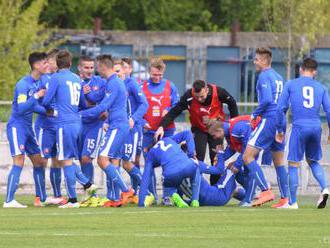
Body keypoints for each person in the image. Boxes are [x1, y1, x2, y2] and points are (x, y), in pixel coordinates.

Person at [155, 79, 239, 185]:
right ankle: (197, 185)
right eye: (196, 96)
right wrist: (162, 126)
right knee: (198, 156)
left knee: (216, 158)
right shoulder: (188, 97)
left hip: (216, 129)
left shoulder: (219, 92)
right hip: (198, 129)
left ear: (206, 90)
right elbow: (175, 111)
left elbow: (232, 102)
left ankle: (215, 187)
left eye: (202, 96)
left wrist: (234, 124)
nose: (199, 99)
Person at [42, 50, 96, 208]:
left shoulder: (56, 78)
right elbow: (83, 105)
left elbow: (46, 101)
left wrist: (50, 105)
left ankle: (73, 199)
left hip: (63, 123)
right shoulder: (76, 78)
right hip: (77, 123)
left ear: (57, 64)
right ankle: (87, 184)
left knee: (65, 160)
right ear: (71, 63)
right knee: (68, 159)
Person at [79, 54, 134, 208]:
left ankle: (126, 191)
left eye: (97, 66)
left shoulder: (114, 83)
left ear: (103, 66)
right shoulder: (111, 82)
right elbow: (98, 96)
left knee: (103, 160)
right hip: (115, 126)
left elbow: (103, 106)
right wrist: (86, 93)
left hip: (118, 126)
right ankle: (117, 197)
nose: (96, 70)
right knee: (105, 160)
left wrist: (79, 114)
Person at [276, 58, 330, 209]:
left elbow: (281, 109)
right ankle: (325, 187)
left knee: (293, 164)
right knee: (313, 161)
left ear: (300, 69)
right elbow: (329, 110)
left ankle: (293, 203)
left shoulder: (291, 84)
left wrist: (280, 130)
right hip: (316, 127)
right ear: (315, 72)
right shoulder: (321, 87)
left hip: (299, 127)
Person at [242, 47, 288, 208]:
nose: (254, 62)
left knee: (247, 156)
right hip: (281, 119)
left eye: (256, 59)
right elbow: (284, 102)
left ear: (262, 60)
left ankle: (265, 190)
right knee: (279, 162)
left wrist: (255, 114)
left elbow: (267, 100)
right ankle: (285, 199)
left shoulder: (263, 76)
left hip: (269, 119)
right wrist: (281, 125)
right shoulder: (279, 77)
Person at [4, 52, 50, 208]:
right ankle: (9, 200)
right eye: (45, 63)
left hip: (28, 128)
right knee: (19, 160)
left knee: (39, 161)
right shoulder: (23, 84)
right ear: (36, 65)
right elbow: (22, 108)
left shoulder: (38, 82)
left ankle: (40, 199)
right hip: (17, 127)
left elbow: (34, 106)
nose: (47, 65)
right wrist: (37, 95)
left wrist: (48, 111)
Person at [33, 48, 67, 206]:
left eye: (50, 61)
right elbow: (36, 102)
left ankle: (58, 196)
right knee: (41, 161)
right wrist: (49, 112)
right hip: (45, 127)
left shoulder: (60, 78)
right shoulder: (42, 79)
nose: (49, 64)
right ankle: (39, 196)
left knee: (57, 161)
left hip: (58, 127)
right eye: (47, 62)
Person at [138, 131, 201, 208]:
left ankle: (175, 196)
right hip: (188, 166)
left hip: (171, 173)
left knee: (167, 182)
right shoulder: (168, 139)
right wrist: (191, 154)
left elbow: (145, 178)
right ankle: (195, 200)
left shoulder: (150, 154)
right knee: (196, 168)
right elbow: (188, 133)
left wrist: (141, 201)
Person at [77, 55, 106, 207]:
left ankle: (92, 194)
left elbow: (104, 104)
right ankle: (87, 193)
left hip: (95, 126)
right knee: (79, 159)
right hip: (78, 125)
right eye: (86, 67)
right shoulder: (75, 82)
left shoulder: (100, 82)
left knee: (86, 158)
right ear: (79, 68)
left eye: (91, 67)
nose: (89, 70)